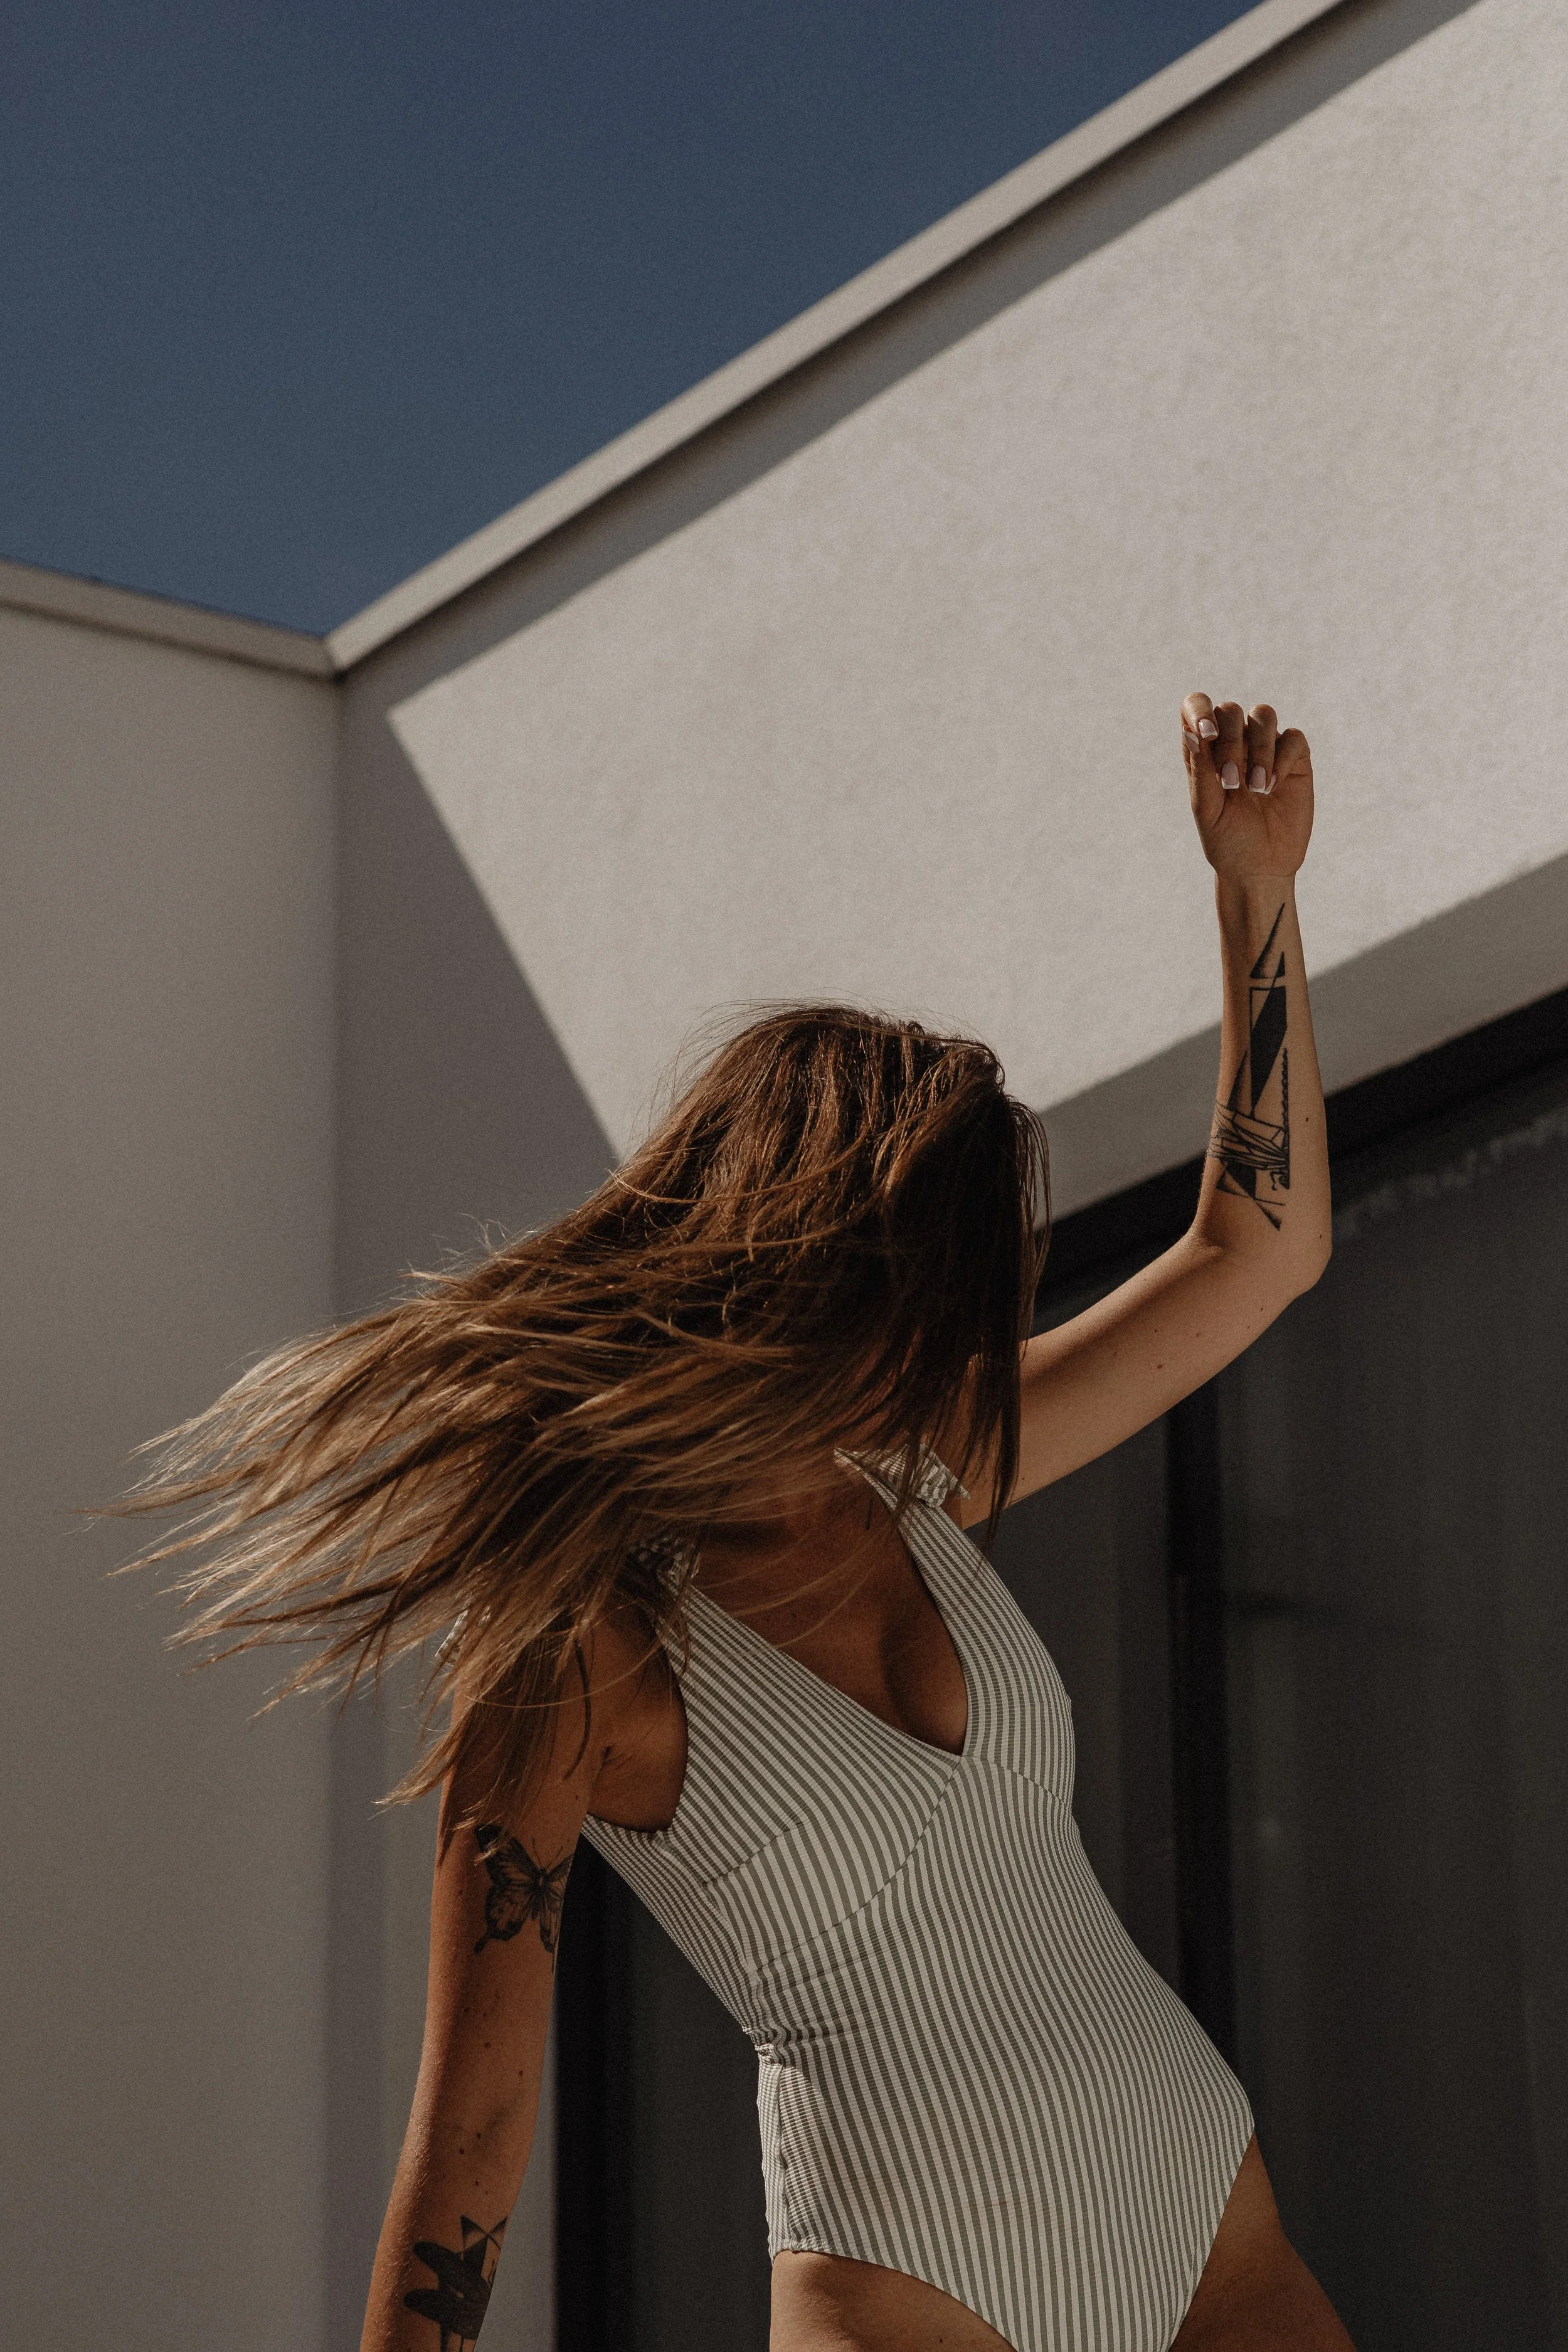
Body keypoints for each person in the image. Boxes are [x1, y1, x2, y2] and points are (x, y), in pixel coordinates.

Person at [125, 694, 1353, 2350]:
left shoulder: (918, 1478)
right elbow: (472, 2136)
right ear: (805, 1276)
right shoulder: (574, 1653)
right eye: (920, 1300)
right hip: (910, 2282)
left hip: (1198, 2204)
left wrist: (1252, 891)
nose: (946, 1347)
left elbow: (1254, 1250)